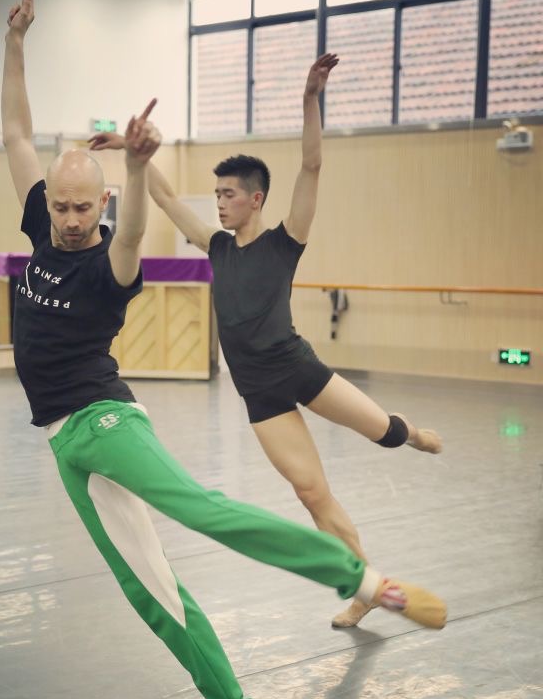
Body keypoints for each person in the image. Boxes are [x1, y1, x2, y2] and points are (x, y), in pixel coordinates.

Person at [3, 0, 446, 699]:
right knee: (150, 590)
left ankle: (366, 580)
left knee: (204, 512)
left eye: (83, 207)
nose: (69, 219)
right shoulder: (44, 217)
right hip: (62, 437)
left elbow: (141, 224)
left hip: (105, 420)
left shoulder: (112, 259)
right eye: (60, 205)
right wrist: (13, 45)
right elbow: (14, 133)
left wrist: (137, 169)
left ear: (100, 204)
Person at [90, 53, 443, 631]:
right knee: (311, 492)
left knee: (385, 435)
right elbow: (166, 199)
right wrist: (136, 156)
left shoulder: (285, 241)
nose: (220, 200)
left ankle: (410, 433)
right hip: (261, 395)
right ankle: (362, 587)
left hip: (303, 371)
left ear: (255, 198)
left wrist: (310, 98)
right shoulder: (217, 247)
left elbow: (311, 165)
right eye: (218, 192)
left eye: (229, 193)